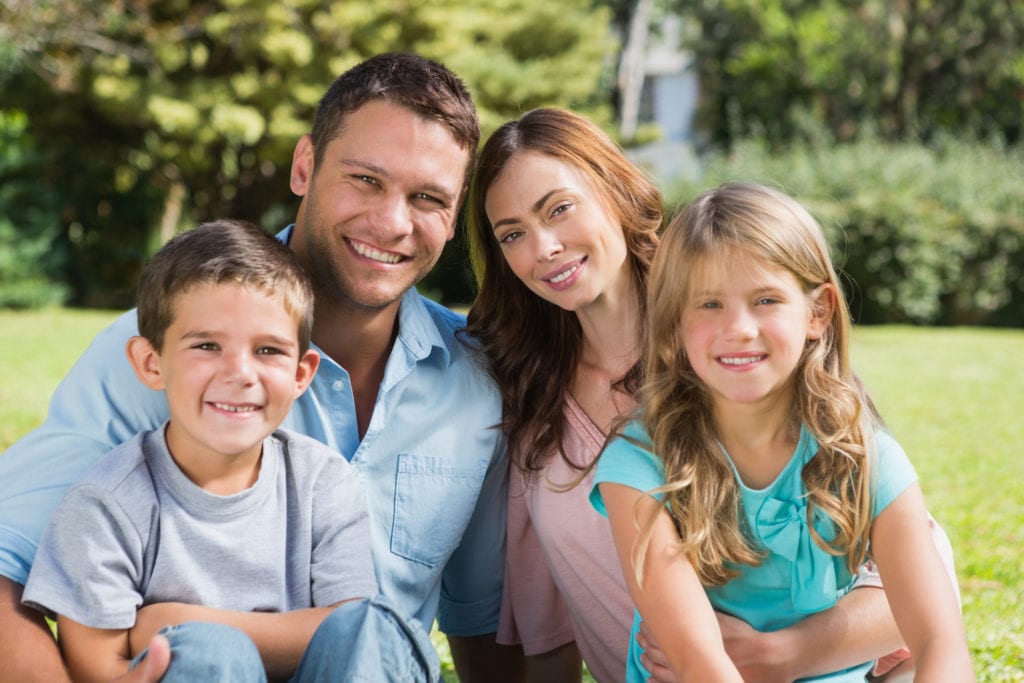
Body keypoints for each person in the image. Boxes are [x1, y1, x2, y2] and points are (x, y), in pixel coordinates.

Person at [0, 52, 514, 683]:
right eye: (365, 180)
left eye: (429, 197)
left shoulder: (478, 383)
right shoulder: (167, 353)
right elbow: (3, 567)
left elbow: (482, 620)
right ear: (306, 166)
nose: (391, 222)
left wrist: (183, 617)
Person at [465, 109, 960, 683]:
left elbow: (925, 579)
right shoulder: (528, 393)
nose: (544, 246)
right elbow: (542, 610)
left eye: (560, 208)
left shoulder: (744, 355)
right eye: (512, 234)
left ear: (617, 192)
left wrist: (778, 657)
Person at [591, 182, 973, 682]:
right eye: (709, 305)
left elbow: (940, 640)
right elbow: (697, 661)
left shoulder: (866, 455)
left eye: (766, 299)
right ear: (674, 325)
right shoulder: (640, 460)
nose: (739, 328)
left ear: (817, 313)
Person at [22, 219, 381, 682]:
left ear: (301, 373)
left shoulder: (322, 484)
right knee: (209, 656)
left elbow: (356, 635)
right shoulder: (106, 506)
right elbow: (100, 670)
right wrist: (203, 644)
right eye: (207, 345)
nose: (240, 373)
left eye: (268, 350)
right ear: (151, 363)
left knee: (387, 636)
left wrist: (176, 621)